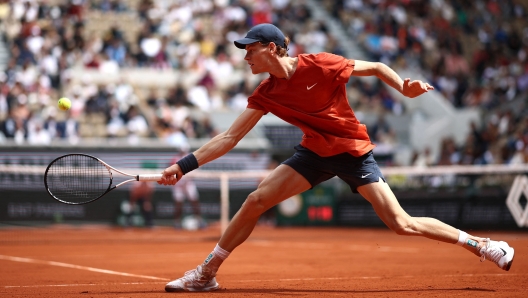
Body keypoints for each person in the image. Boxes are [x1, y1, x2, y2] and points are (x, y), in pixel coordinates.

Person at [158, 23, 515, 292]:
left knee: (400, 223)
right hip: (312, 152)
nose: (245, 57)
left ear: (272, 48)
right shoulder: (266, 92)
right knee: (256, 200)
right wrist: (183, 165)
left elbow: (374, 67)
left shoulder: (321, 64)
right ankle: (206, 274)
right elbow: (229, 136)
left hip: (352, 152)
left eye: (250, 50)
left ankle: (481, 244)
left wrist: (403, 87)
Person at [170, 152, 205, 229]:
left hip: (188, 183)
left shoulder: (190, 158)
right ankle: (177, 222)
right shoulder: (175, 159)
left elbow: (195, 170)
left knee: (194, 201)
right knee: (178, 203)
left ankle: (199, 221)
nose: (182, 152)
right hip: (178, 184)